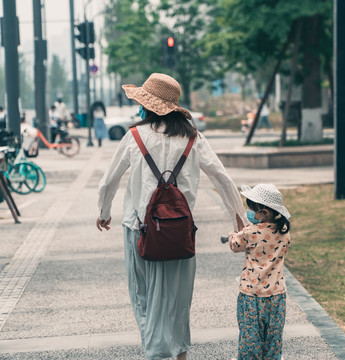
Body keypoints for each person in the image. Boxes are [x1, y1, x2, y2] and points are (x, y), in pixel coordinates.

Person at [96, 73, 248, 360]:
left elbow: (108, 181)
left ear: (148, 106)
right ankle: (180, 354)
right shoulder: (194, 138)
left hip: (139, 229)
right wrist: (238, 219)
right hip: (180, 231)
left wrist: (104, 212)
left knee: (143, 296)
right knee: (179, 300)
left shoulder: (135, 136)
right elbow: (223, 178)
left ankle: (155, 350)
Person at [228, 183, 291, 360]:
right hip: (276, 295)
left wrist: (232, 233)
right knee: (273, 338)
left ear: (264, 212)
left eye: (252, 209)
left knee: (250, 336)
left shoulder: (250, 232)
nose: (250, 212)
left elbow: (235, 245)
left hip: (251, 294)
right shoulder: (284, 233)